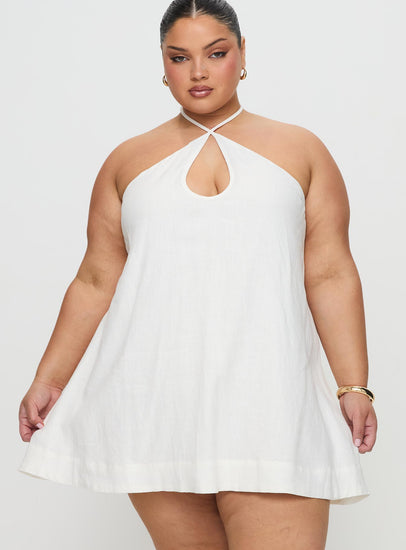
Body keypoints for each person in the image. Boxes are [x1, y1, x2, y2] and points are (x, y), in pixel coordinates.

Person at [18, 1, 378, 548]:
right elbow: (94, 279)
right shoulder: (128, 161)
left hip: (271, 402)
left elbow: (330, 272)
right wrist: (49, 380)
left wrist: (354, 384)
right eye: (180, 57)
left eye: (216, 53)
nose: (199, 72)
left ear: (242, 55)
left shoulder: (300, 151)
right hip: (156, 405)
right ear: (163, 65)